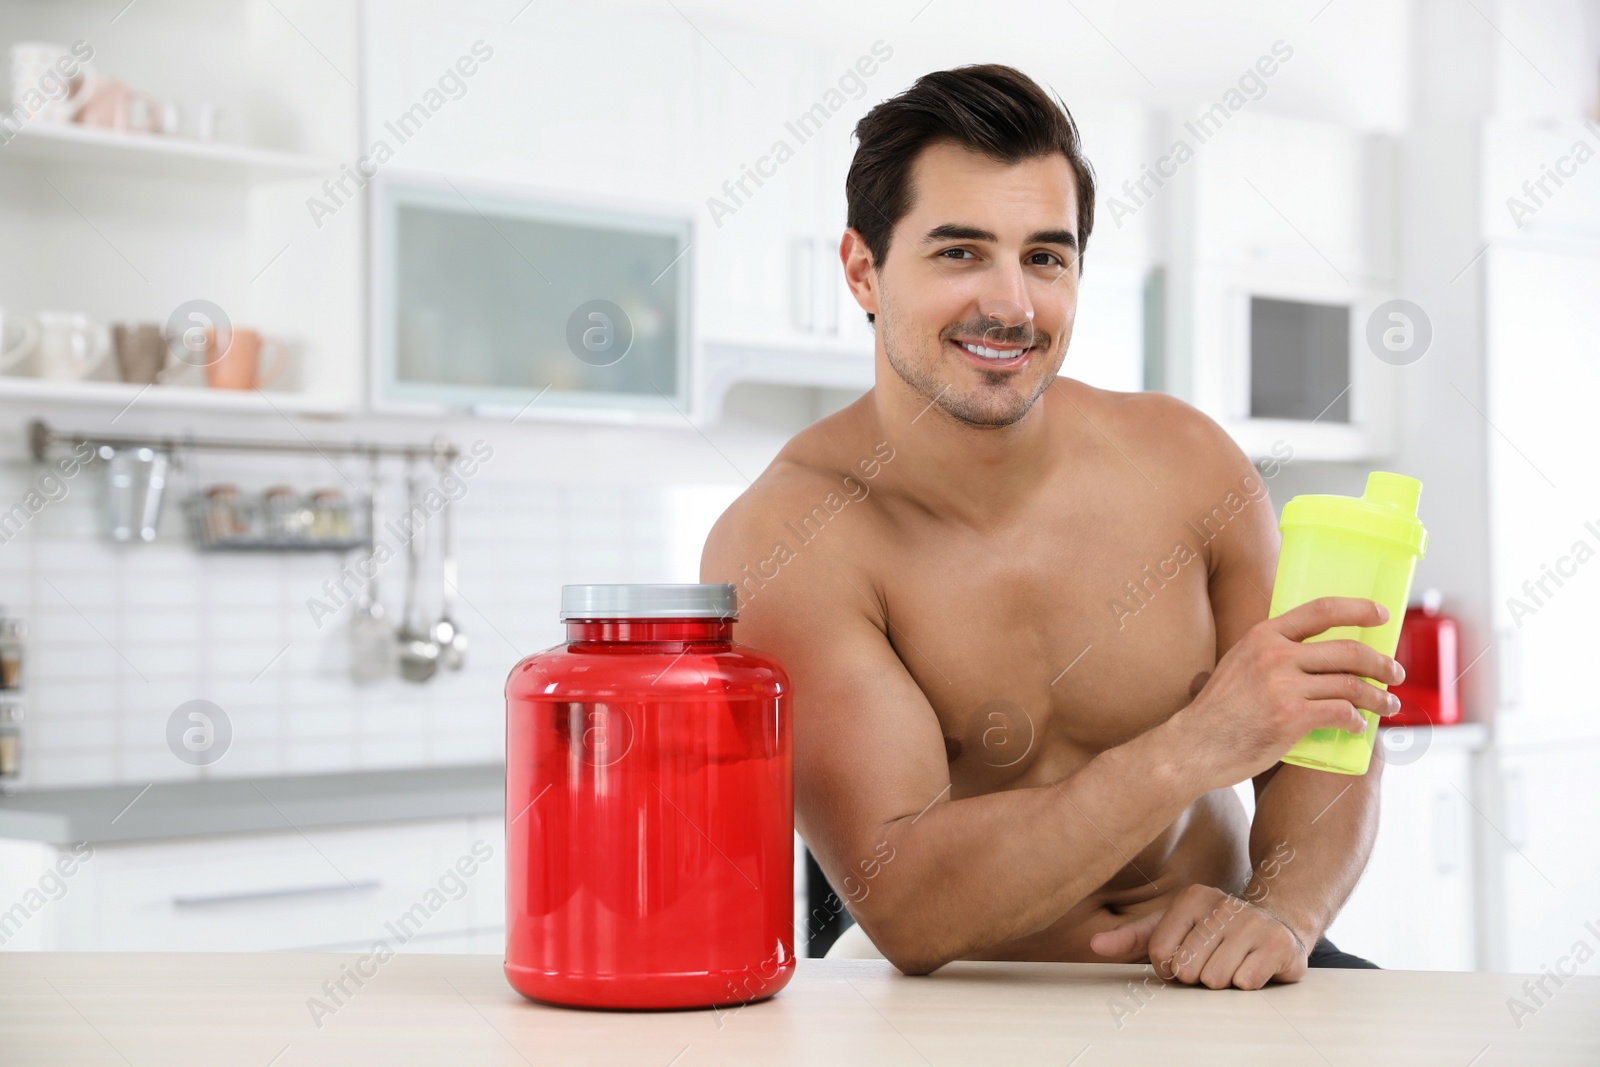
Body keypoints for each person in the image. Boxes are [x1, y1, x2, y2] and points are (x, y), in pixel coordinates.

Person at [701, 64, 1395, 990]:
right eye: (959, 252)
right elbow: (905, 901)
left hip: (1231, 962)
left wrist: (1283, 912)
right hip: (962, 996)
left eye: (1045, 257)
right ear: (863, 270)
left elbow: (1326, 732)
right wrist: (1194, 745)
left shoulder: (1187, 460)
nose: (1013, 305)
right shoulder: (791, 538)